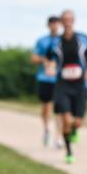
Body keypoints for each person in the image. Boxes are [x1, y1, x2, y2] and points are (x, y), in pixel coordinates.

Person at [53, 9, 87, 163]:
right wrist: (48, 66)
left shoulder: (83, 39)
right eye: (64, 19)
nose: (67, 22)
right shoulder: (55, 42)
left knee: (78, 122)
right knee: (66, 119)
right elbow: (47, 57)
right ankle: (68, 152)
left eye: (70, 19)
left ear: (73, 21)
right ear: (61, 22)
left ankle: (74, 129)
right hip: (63, 84)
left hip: (80, 85)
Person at [32, 15, 63, 146]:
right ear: (48, 25)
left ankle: (59, 137)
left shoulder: (63, 40)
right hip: (45, 78)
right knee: (46, 107)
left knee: (61, 108)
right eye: (52, 23)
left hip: (60, 78)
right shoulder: (42, 41)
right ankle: (46, 129)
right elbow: (33, 58)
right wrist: (44, 61)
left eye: (57, 23)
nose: (54, 26)